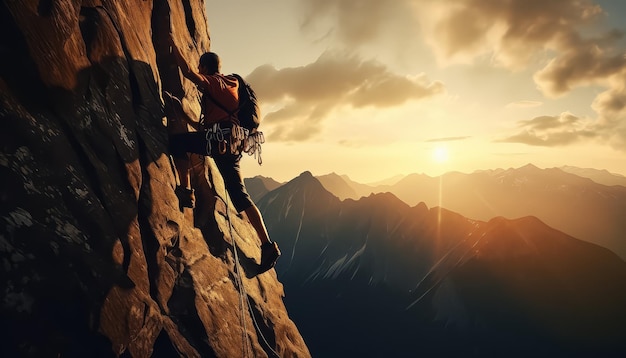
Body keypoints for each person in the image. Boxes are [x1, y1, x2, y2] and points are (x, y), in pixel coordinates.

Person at [167, 35, 280, 271]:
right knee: (239, 194)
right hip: (233, 143)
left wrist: (172, 42)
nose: (200, 70)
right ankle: (267, 244)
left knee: (177, 144)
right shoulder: (232, 84)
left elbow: (188, 72)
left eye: (202, 67)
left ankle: (186, 191)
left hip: (218, 142)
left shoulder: (214, 83)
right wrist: (185, 114)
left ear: (206, 68)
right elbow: (210, 125)